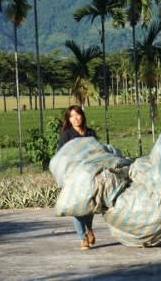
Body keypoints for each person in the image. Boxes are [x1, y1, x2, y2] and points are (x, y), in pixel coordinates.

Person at [57, 105, 97, 250]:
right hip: (73, 177)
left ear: (82, 116)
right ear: (69, 119)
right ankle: (82, 237)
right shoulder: (67, 135)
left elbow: (96, 151)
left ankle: (89, 229)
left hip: (89, 175)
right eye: (72, 116)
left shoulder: (90, 133)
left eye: (78, 115)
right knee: (76, 207)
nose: (75, 118)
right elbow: (61, 156)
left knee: (90, 206)